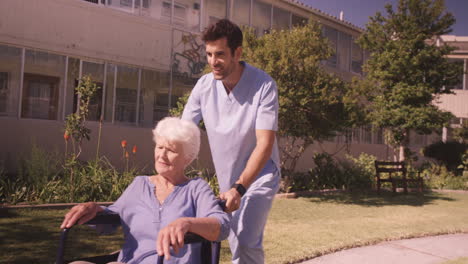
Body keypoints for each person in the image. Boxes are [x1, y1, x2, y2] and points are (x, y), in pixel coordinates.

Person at [60, 117, 230, 264]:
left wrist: (186, 223)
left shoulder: (195, 189)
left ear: (187, 158)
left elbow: (221, 226)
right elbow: (111, 219)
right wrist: (93, 208)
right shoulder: (139, 185)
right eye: (159, 147)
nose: (161, 155)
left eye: (170, 150)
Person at [181, 19, 280, 264]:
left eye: (220, 55)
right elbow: (183, 132)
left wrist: (240, 188)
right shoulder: (204, 86)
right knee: (233, 239)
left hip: (259, 176)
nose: (213, 62)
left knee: (246, 240)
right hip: (228, 180)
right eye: (209, 54)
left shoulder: (263, 85)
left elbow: (265, 143)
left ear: (238, 53)